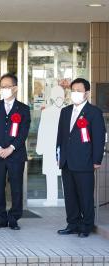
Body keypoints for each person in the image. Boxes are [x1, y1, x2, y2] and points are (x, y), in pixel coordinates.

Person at [56, 78, 106, 238]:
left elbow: (99, 138)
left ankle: (86, 226)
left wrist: (97, 160)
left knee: (85, 195)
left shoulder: (94, 112)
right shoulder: (65, 111)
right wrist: (58, 155)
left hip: (85, 161)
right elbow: (61, 137)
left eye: (79, 90)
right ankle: (72, 223)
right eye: (73, 91)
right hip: (66, 161)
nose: (75, 94)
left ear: (87, 93)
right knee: (70, 195)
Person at [0, 73, 31, 231]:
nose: (3, 89)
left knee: (16, 187)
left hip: (16, 155)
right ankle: (1, 217)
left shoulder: (24, 109)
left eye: (7, 86)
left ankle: (14, 218)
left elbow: (23, 132)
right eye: (2, 87)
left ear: (15, 88)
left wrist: (11, 148)